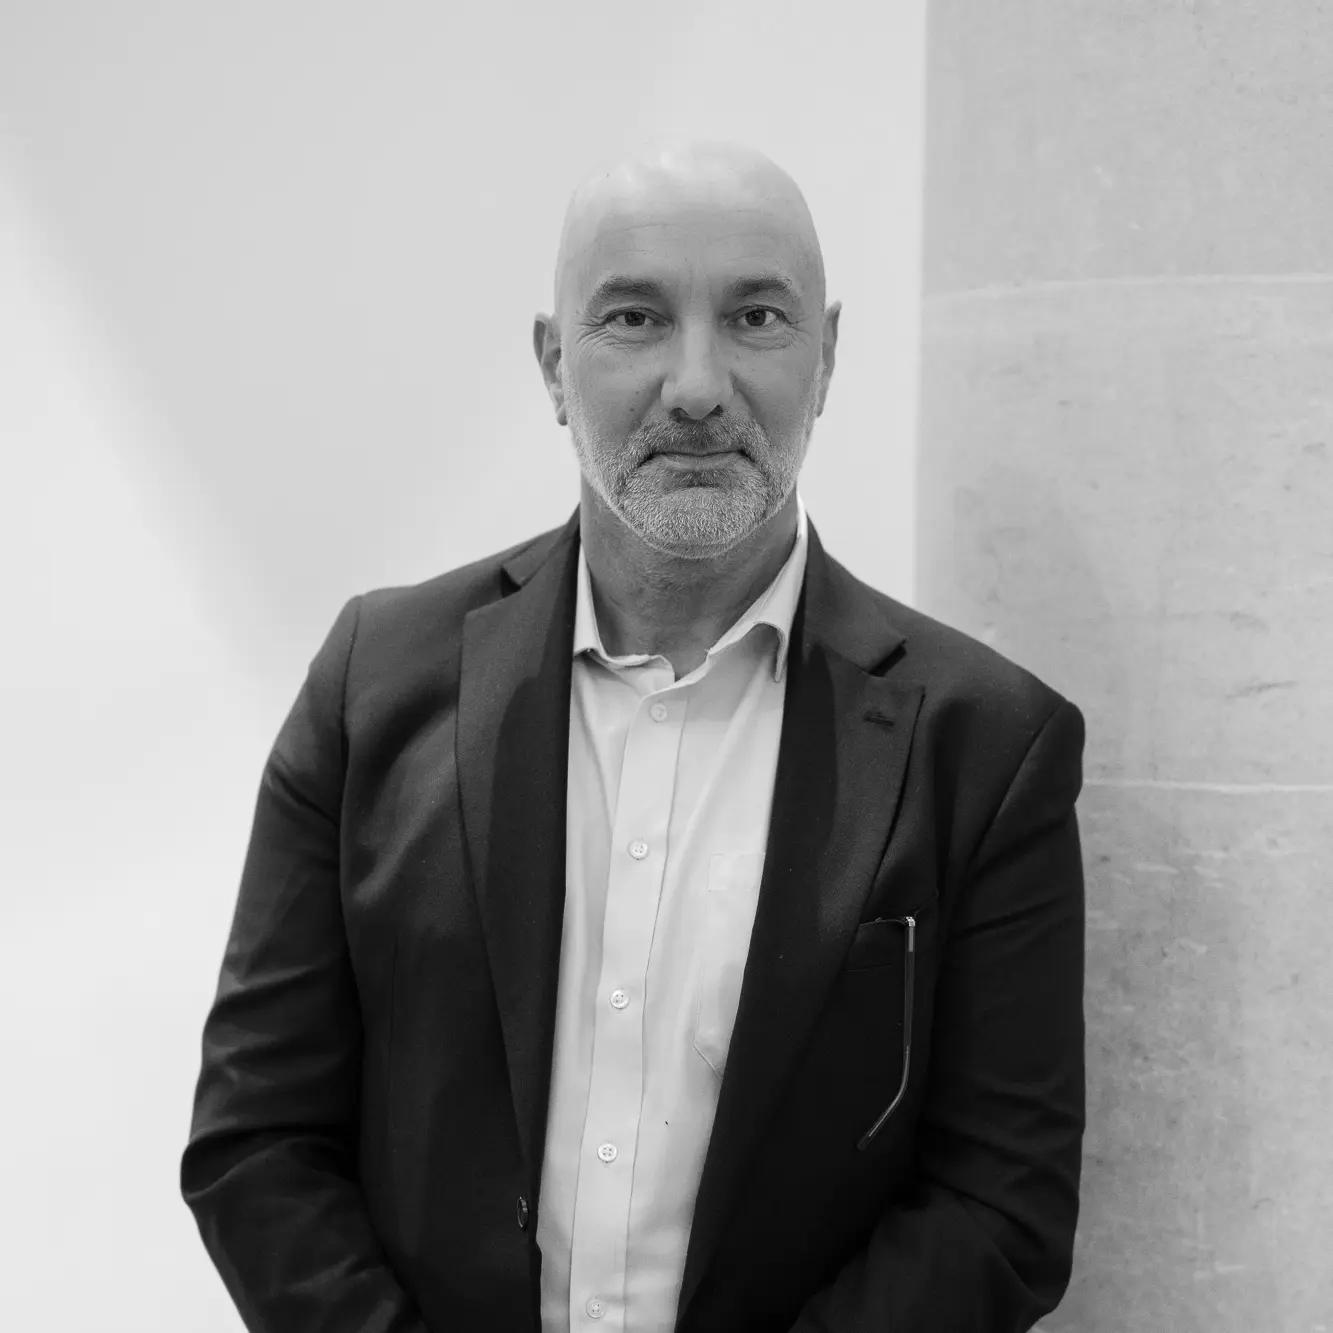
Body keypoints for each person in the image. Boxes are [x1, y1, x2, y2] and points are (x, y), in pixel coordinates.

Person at [182, 140, 1086, 1333]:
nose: (697, 385)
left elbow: (999, 1206)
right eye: (634, 317)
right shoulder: (372, 686)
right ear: (555, 363)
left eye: (755, 316)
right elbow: (257, 1139)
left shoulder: (988, 746)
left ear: (825, 358)